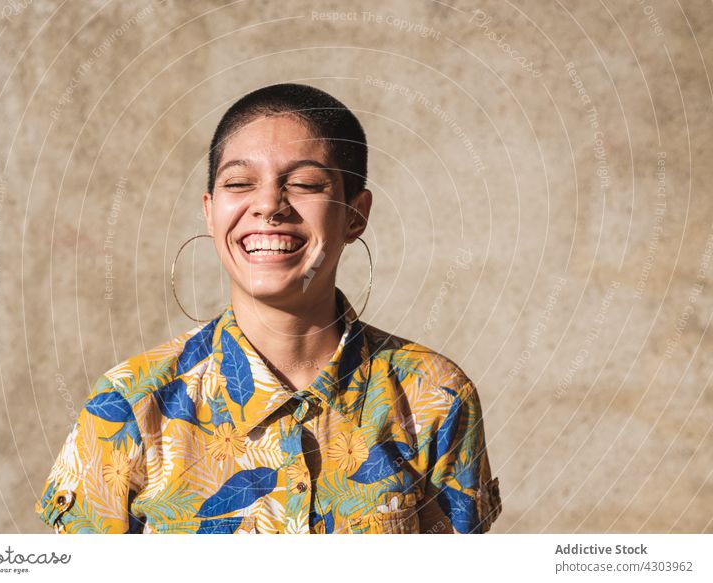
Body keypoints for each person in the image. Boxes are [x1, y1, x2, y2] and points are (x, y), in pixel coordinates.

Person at [35, 83, 502, 534]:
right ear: (210, 210)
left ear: (355, 213)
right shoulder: (130, 405)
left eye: (303, 183)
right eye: (239, 183)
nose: (268, 205)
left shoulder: (435, 397)